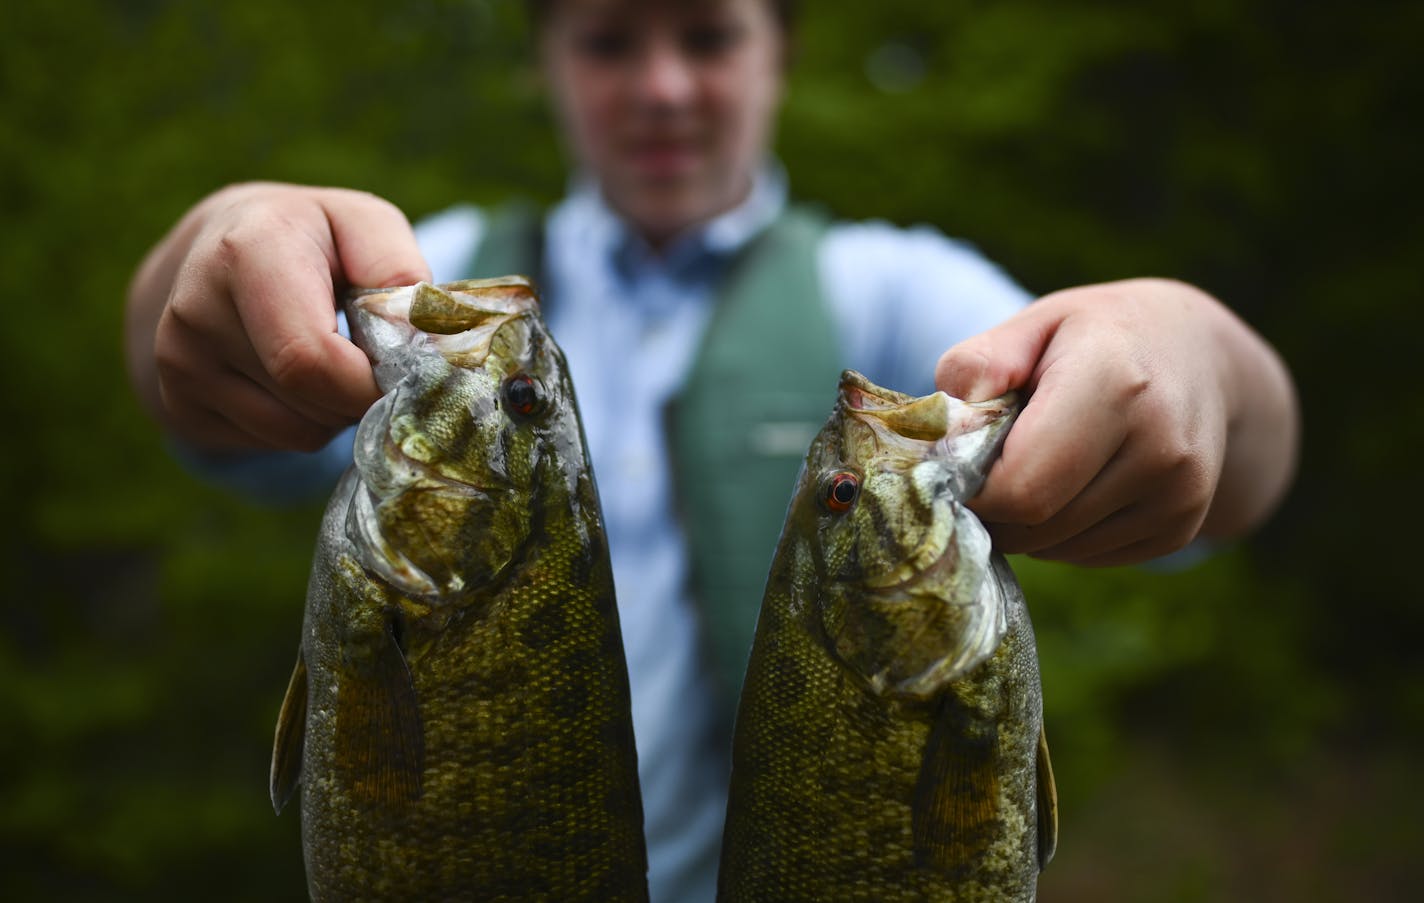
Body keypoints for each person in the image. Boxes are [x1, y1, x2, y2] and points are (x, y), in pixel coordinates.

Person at [123, 0, 1299, 899]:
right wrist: (208, 253)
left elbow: (1235, 479)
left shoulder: (888, 295)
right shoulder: (429, 277)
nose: (664, 86)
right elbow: (197, 398)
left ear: (777, 53)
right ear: (546, 60)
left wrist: (1192, 350)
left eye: (708, 36)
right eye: (609, 43)